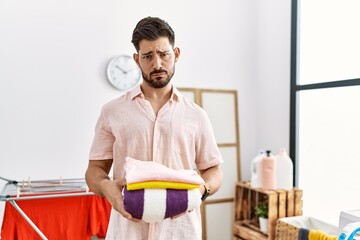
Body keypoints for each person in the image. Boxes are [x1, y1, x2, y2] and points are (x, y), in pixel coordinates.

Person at [85, 16, 223, 240]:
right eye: (147, 56)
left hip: (181, 232)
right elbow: (94, 171)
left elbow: (214, 170)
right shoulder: (112, 111)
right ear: (137, 60)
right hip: (127, 231)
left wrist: (201, 191)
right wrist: (106, 187)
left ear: (176, 54)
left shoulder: (196, 116)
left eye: (163, 54)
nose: (157, 64)